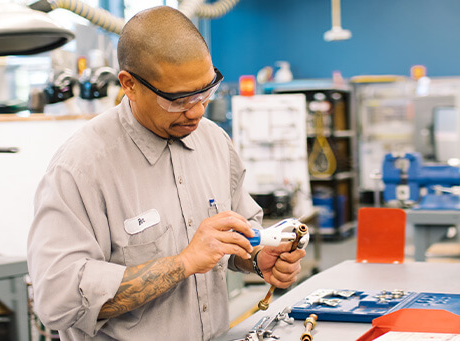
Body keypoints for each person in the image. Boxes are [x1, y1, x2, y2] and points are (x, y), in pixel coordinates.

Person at [27, 6, 307, 340]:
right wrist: (183, 263)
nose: (197, 110)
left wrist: (260, 258)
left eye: (206, 91)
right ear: (129, 85)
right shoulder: (80, 169)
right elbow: (57, 302)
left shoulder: (214, 141)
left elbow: (242, 237)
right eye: (178, 99)